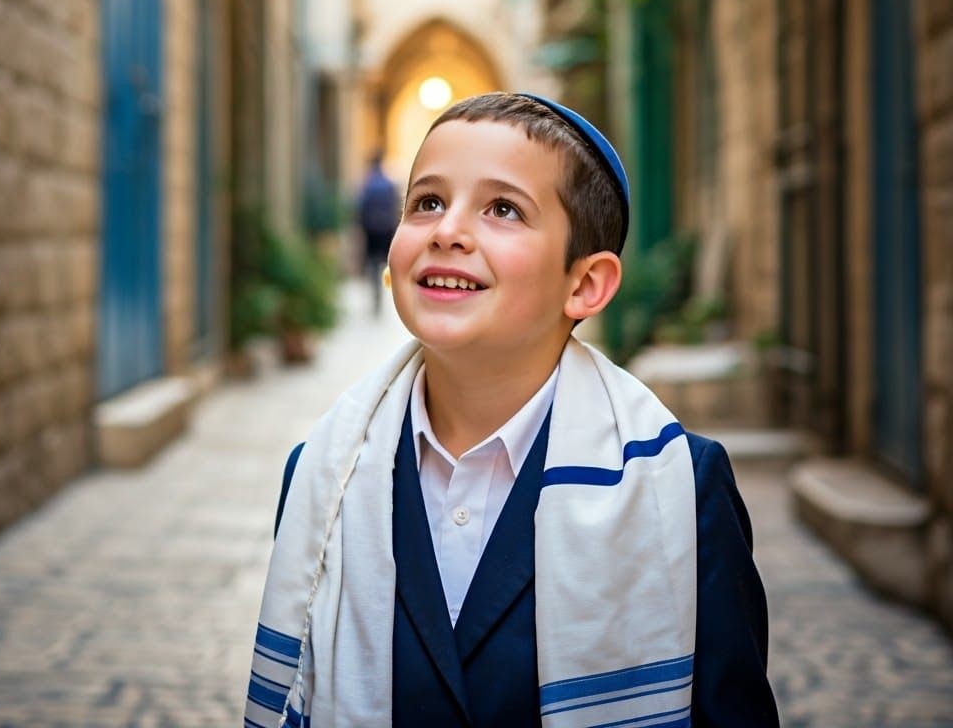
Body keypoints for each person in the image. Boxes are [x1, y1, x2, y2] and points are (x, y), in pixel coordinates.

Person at [245, 92, 779, 728]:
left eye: (502, 209)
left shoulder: (682, 489)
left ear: (585, 284)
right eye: (427, 202)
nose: (446, 230)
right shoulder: (323, 477)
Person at [356, 150, 399, 315]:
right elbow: (395, 206)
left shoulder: (367, 185)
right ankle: (380, 292)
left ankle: (376, 292)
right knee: (384, 260)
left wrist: (360, 226)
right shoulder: (388, 184)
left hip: (371, 228)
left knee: (373, 262)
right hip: (386, 227)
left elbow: (361, 208)